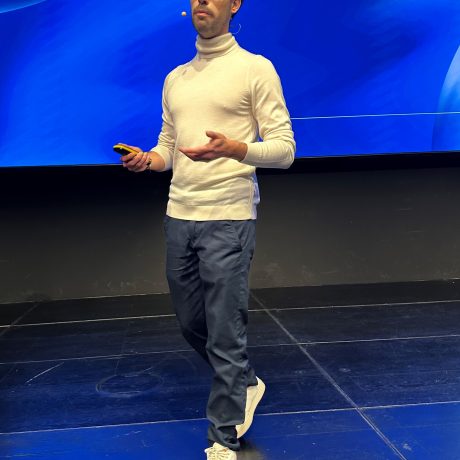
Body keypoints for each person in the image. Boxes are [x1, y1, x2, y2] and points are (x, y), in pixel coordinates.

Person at [119, 0, 295, 458]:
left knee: (224, 331)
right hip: (180, 214)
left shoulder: (255, 69)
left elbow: (284, 149)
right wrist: (148, 160)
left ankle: (223, 437)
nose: (201, 1)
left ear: (234, 4)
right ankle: (245, 382)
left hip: (229, 217)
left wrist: (236, 149)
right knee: (191, 324)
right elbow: (168, 147)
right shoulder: (176, 78)